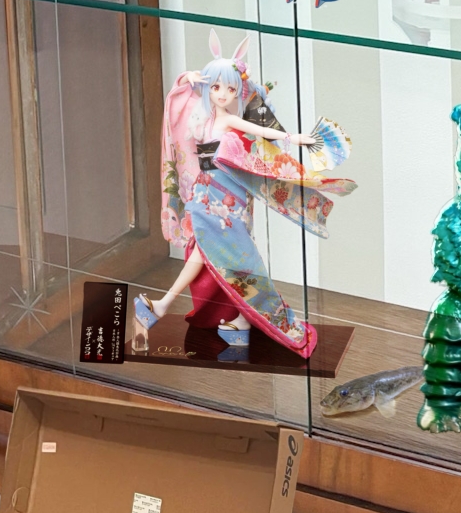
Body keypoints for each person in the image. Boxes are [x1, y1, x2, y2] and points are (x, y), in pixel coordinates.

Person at [134, 33, 353, 355]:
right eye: (216, 87)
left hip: (227, 200)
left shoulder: (229, 120)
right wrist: (186, 78)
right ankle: (219, 317)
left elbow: (263, 131)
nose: (222, 94)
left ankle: (174, 307)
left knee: (232, 258)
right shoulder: (203, 117)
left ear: (238, 91)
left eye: (230, 89)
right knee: (211, 254)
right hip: (207, 194)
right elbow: (178, 105)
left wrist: (296, 138)